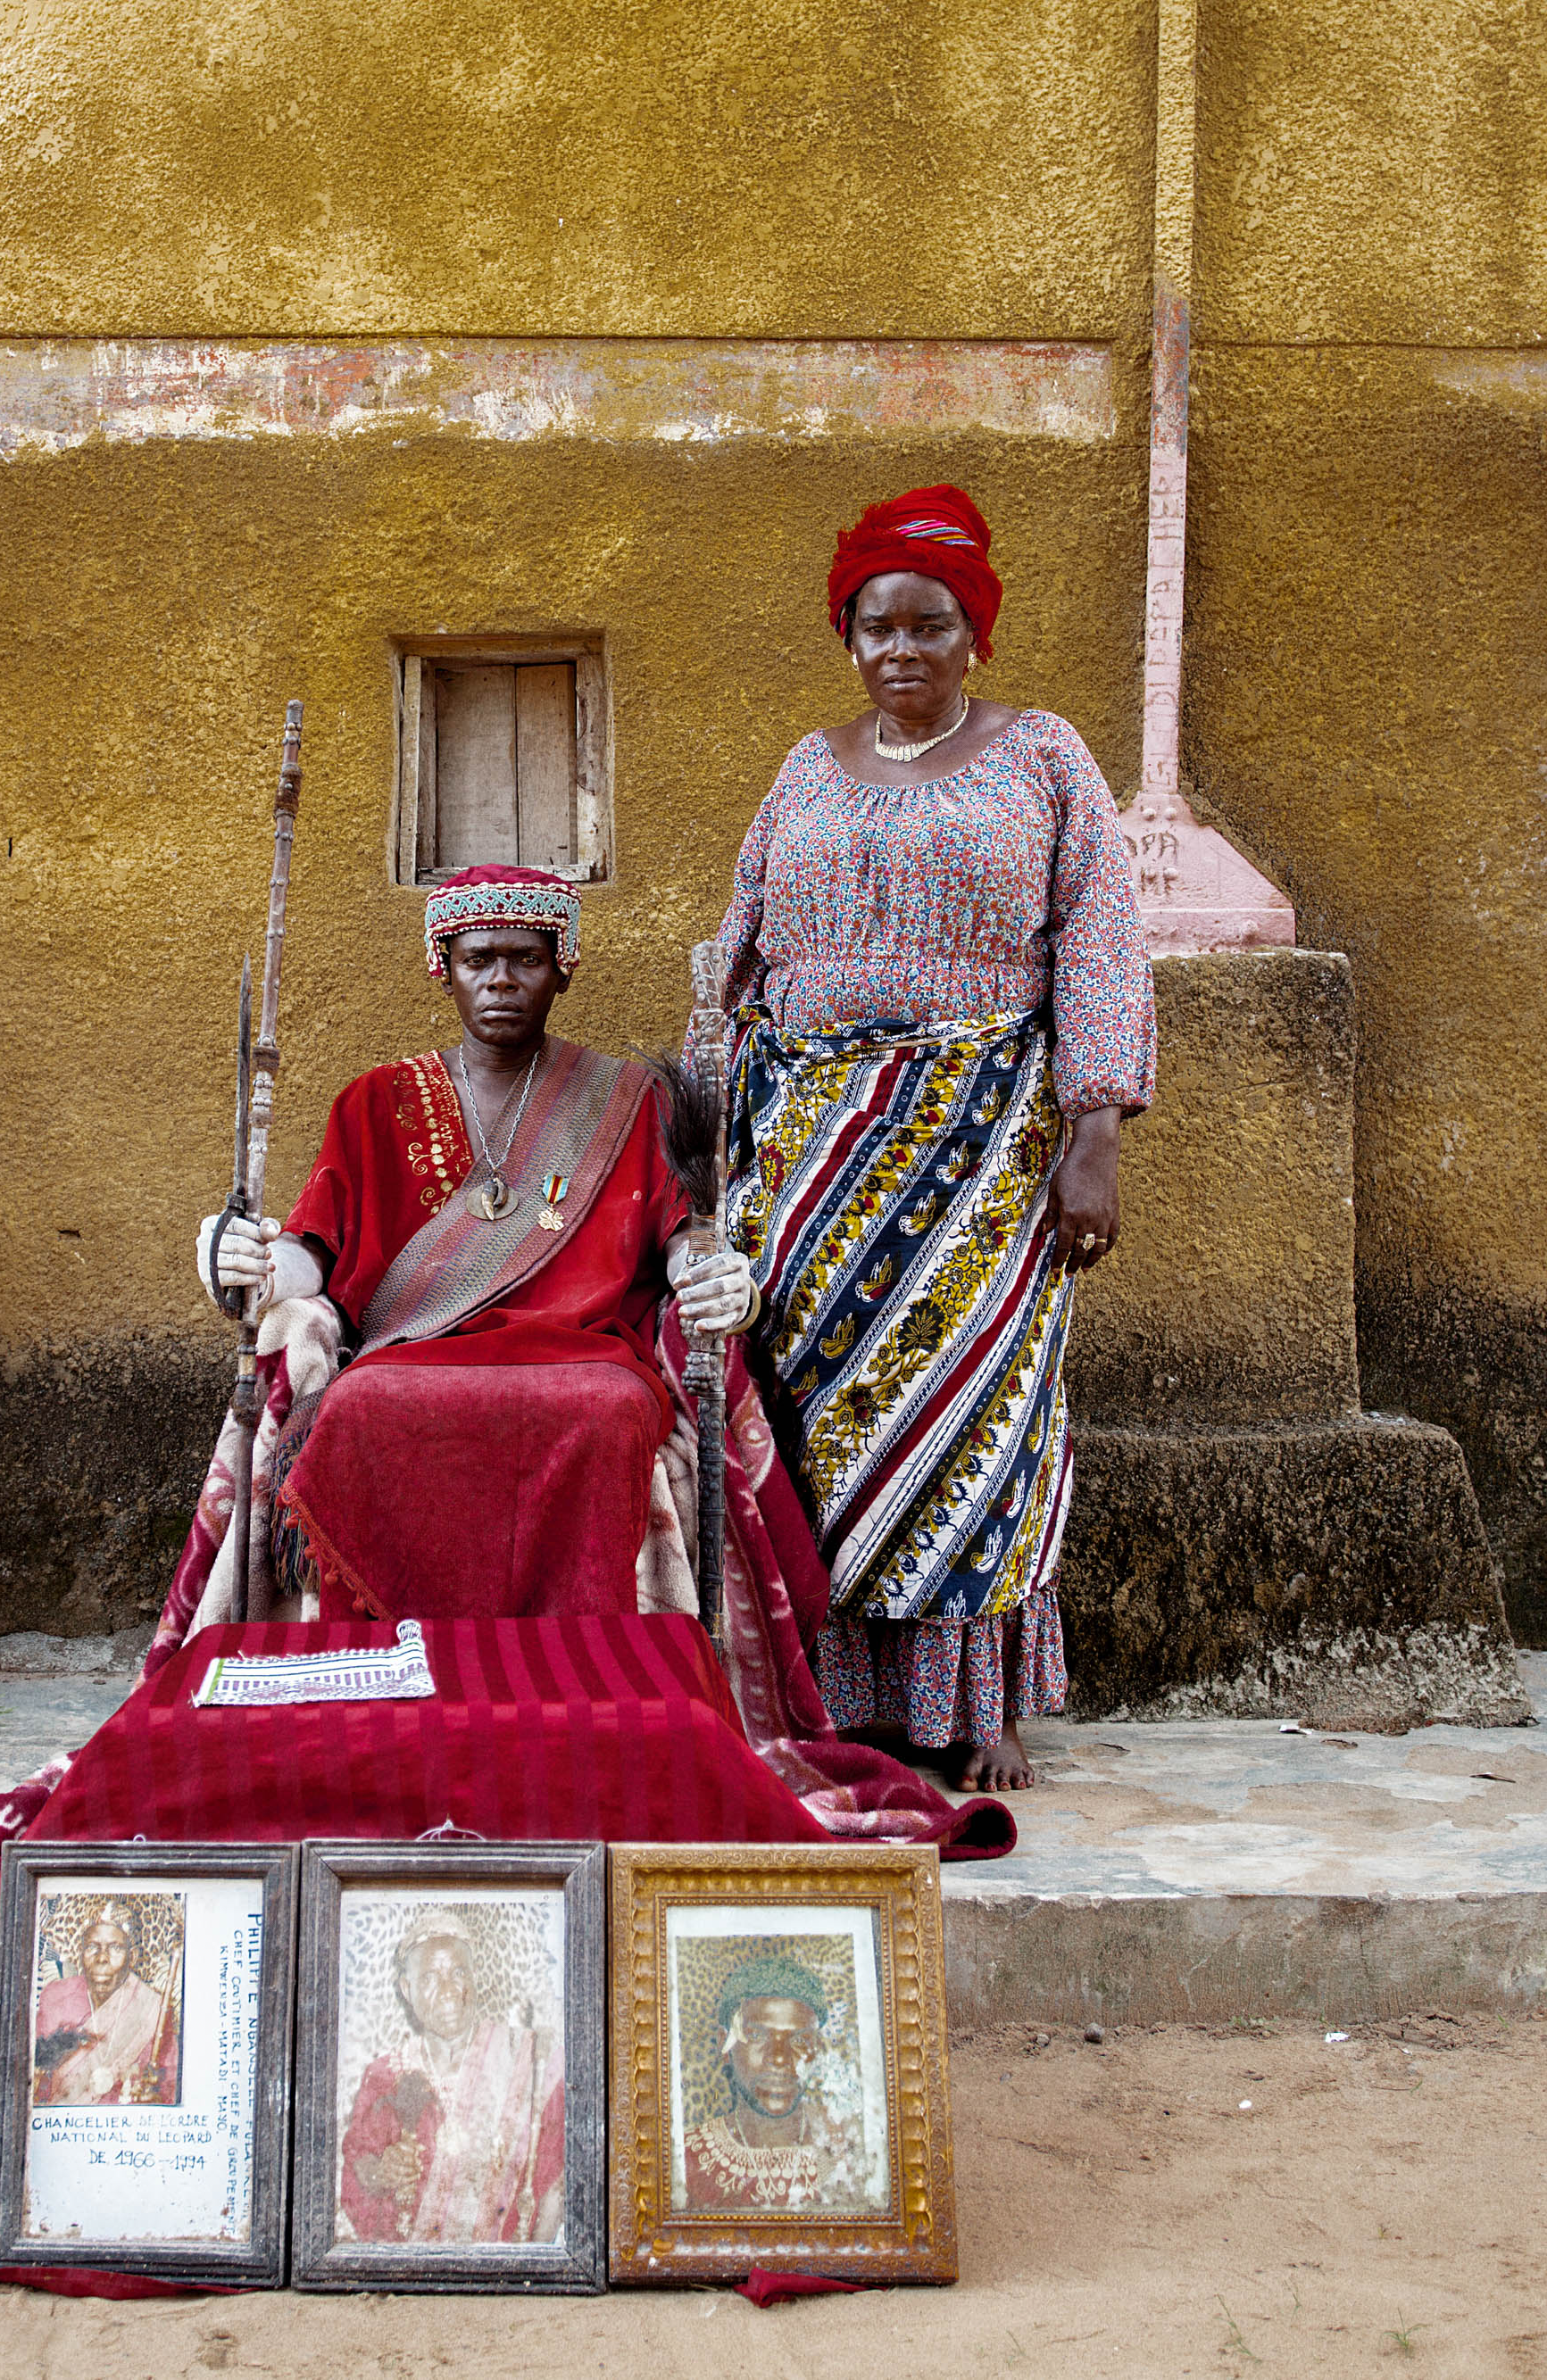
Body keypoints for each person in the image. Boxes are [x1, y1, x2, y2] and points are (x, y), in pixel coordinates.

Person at [710, 485, 1157, 1792]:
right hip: (810, 1154)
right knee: (819, 1415)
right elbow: (738, 945)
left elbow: (1104, 937)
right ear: (846, 635)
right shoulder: (804, 765)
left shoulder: (1046, 756)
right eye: (876, 626)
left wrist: (1096, 1127)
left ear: (978, 636)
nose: (901, 650)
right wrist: (709, 1129)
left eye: (931, 625)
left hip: (983, 1149)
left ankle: (980, 1703)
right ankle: (837, 1692)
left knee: (978, 1410)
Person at [169, 865, 761, 1633]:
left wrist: (720, 1279)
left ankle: (590, 1667)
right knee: (355, 1409)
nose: (502, 980)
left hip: (586, 1359)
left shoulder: (631, 1100)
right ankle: (380, 1658)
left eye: (527, 959)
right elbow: (310, 1254)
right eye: (479, 960)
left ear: (563, 969)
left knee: (612, 1411)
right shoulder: (374, 1103)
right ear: (442, 968)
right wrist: (237, 1257)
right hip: (406, 1355)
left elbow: (685, 1243)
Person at [335, 1909, 566, 2243]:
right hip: (412, 2281)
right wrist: (381, 2172)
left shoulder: (529, 2061)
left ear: (476, 1977)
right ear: (406, 1988)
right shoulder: (384, 2076)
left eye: (458, 1972)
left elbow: (556, 2179)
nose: (447, 1990)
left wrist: (534, 2267)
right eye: (428, 1978)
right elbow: (358, 2165)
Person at [678, 1952, 877, 2213]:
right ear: (725, 2046)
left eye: (799, 2040)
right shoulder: (686, 2159)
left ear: (817, 2049)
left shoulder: (854, 2150)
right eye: (758, 2035)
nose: (780, 2058)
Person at [27, 1899, 179, 2105]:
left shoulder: (153, 2009)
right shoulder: (56, 1998)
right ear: (81, 1953)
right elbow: (32, 2077)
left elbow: (171, 2088)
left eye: (115, 1948)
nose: (102, 1958)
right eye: (92, 1947)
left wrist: (155, 2098)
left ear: (132, 1957)